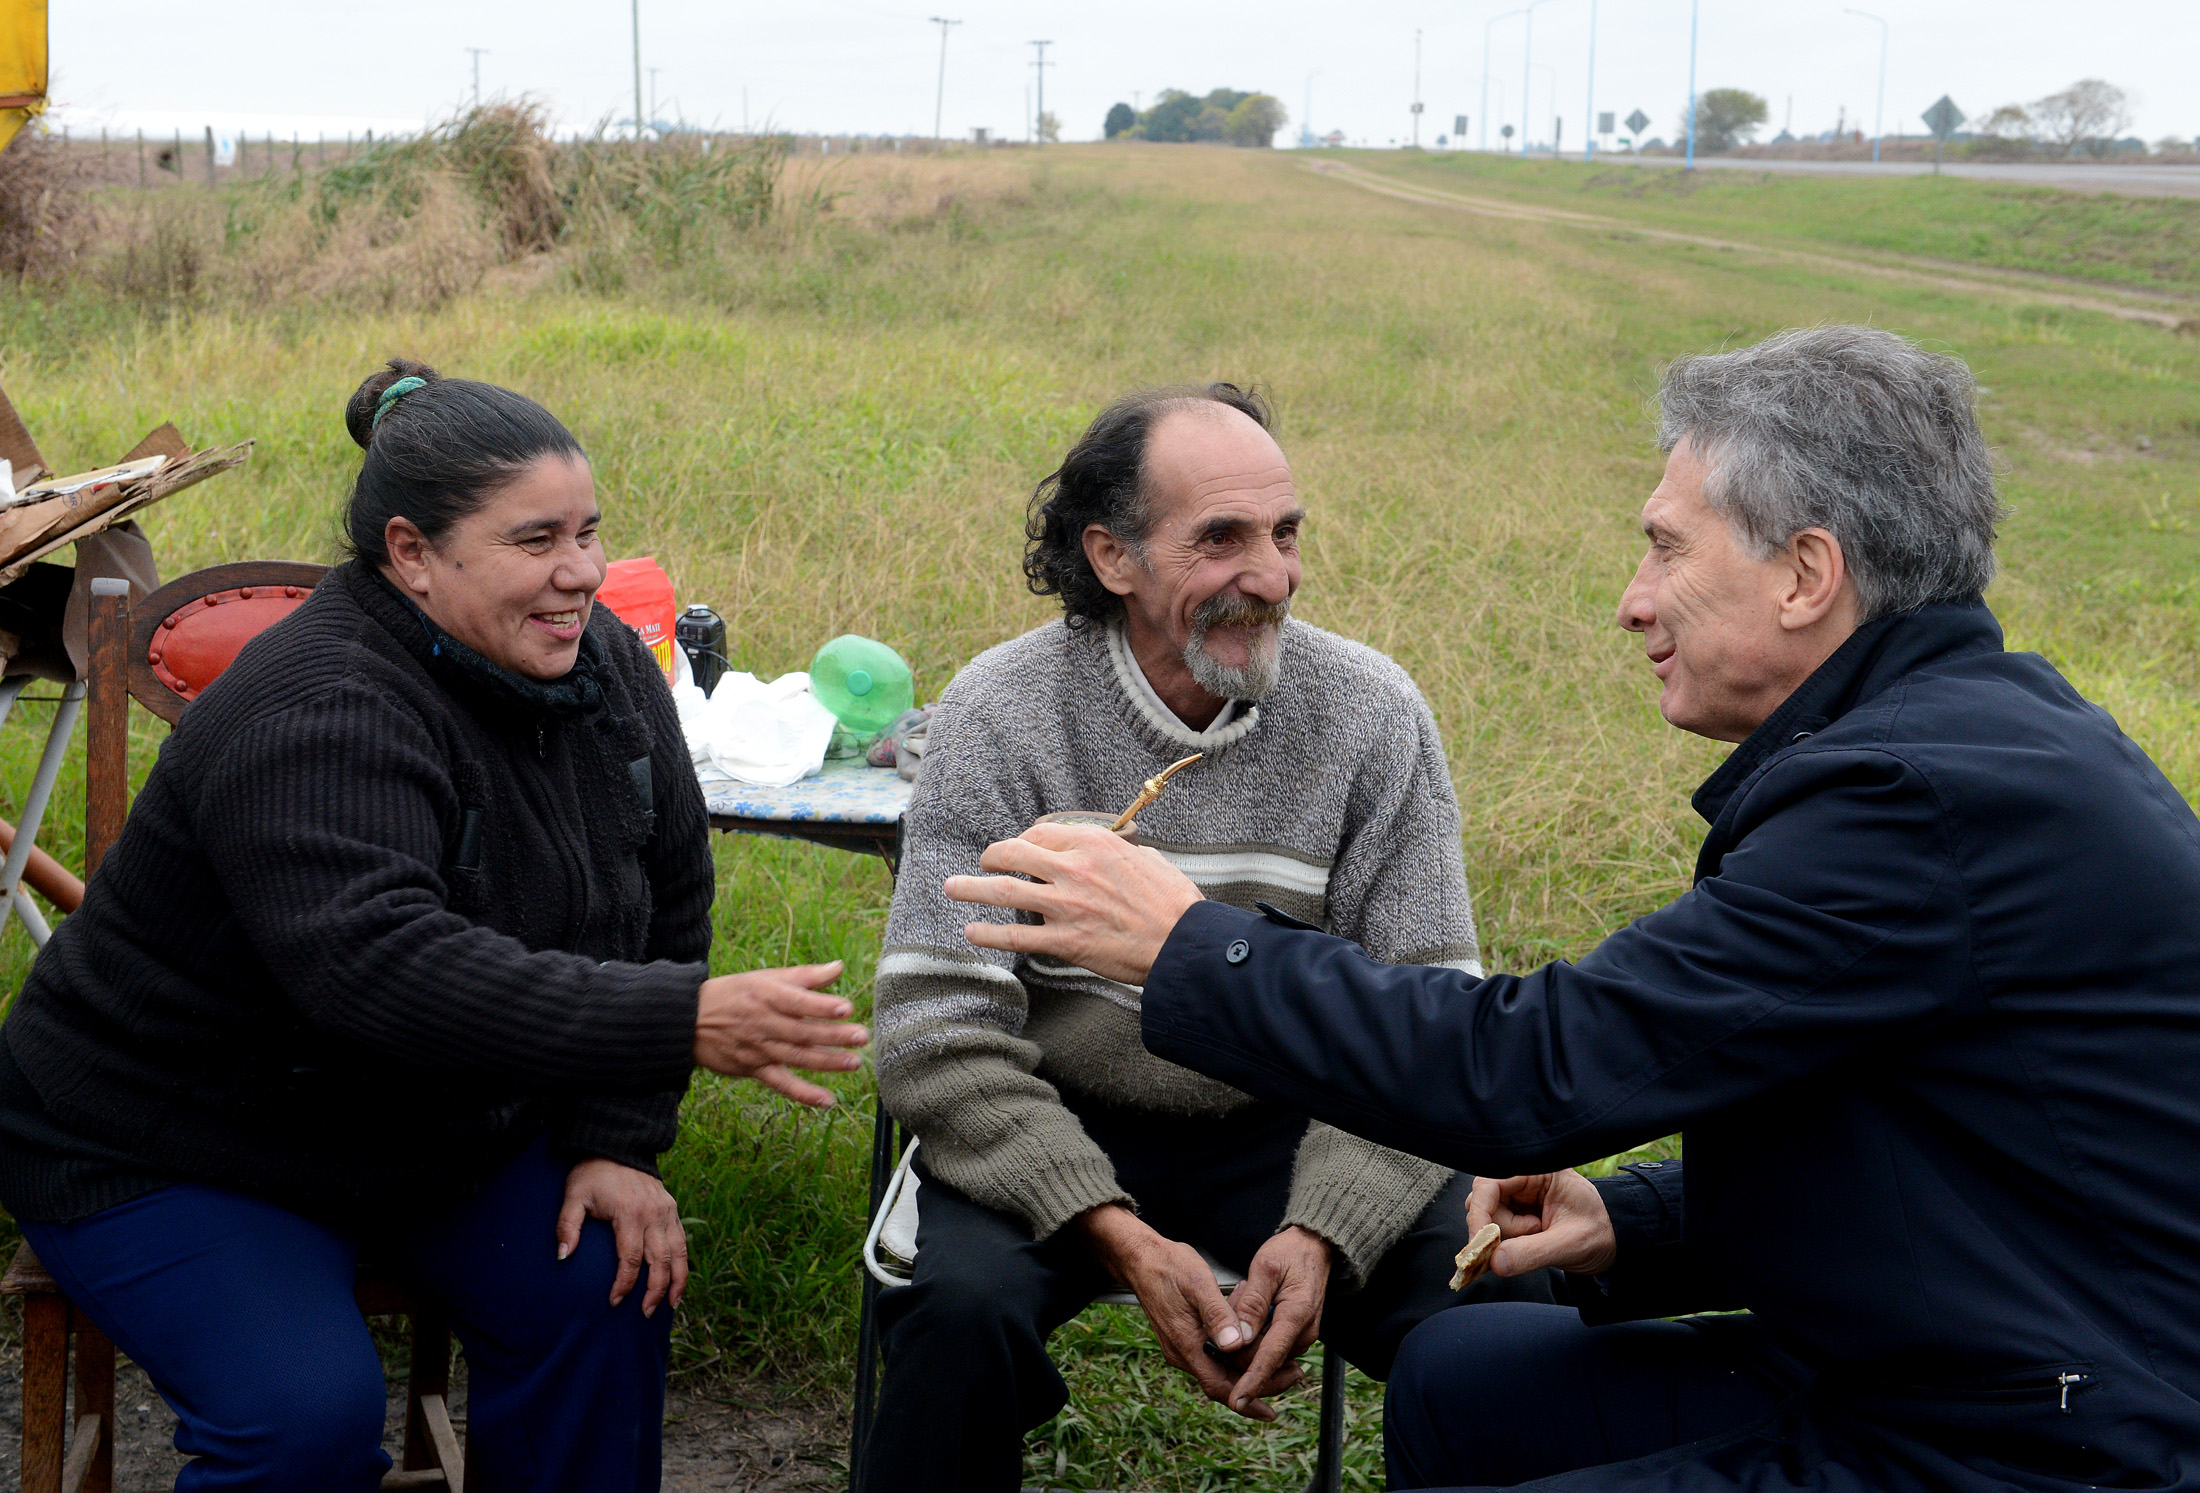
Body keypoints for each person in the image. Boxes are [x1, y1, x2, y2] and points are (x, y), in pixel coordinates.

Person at [943, 326, 2200, 1493]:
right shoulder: (1964, 745)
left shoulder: (1910, 803)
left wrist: (1183, 943)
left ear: (1806, 573)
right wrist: (1633, 1220)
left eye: (1665, 545)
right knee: (1459, 1374)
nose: (1631, 599)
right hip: (1948, 1347)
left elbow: (1529, 1068)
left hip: (2037, 1433)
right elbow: (1929, 1149)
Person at [0, 359, 869, 1492]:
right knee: (300, 1421)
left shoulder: (600, 658)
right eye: (535, 541)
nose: (581, 573)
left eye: (589, 532)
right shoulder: (319, 702)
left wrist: (614, 1133)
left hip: (419, 1123)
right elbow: (378, 965)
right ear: (410, 551)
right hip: (164, 1137)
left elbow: (666, 892)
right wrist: (684, 1020)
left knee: (606, 1286)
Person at [863, 382, 1551, 1492]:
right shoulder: (1003, 709)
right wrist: (1107, 1224)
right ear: (1112, 556)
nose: (1270, 576)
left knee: (1503, 1303)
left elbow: (1430, 1014)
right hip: (1053, 1106)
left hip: (1292, 1117)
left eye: (1285, 534)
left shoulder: (1369, 712)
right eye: (1220, 538)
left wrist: (1324, 1228)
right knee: (956, 1310)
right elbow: (936, 1028)